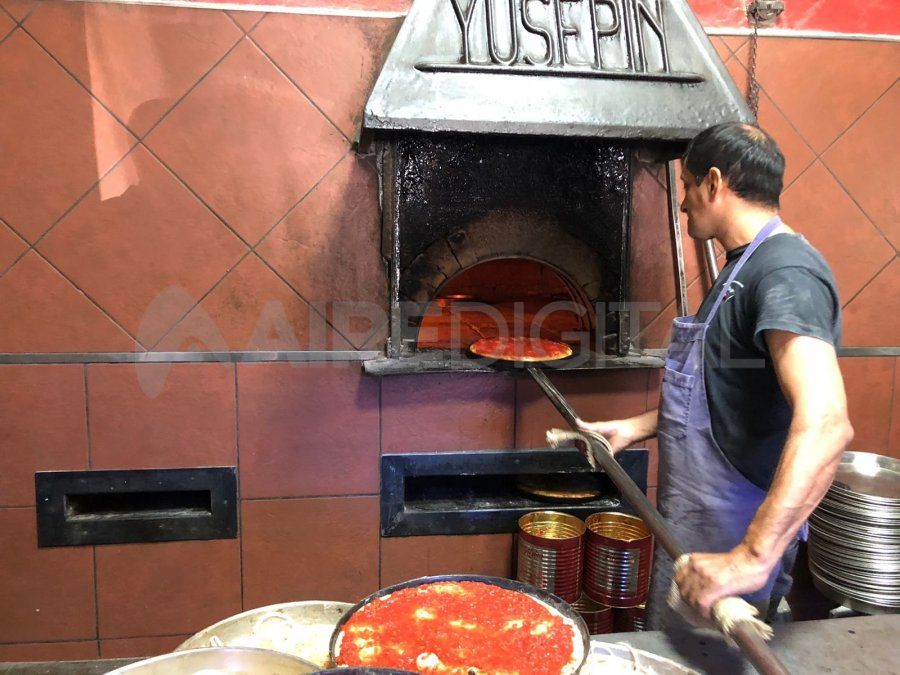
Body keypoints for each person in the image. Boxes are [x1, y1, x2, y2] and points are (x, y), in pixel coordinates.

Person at [578, 122, 854, 629]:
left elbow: (827, 422)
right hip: (698, 524)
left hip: (735, 531)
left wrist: (750, 557)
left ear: (713, 182)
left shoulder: (785, 273)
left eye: (685, 186)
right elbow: (724, 389)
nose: (682, 202)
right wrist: (637, 427)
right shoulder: (742, 269)